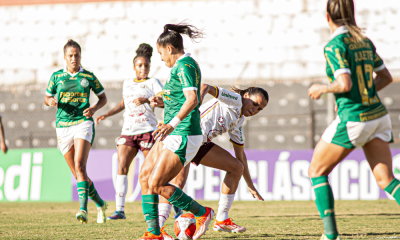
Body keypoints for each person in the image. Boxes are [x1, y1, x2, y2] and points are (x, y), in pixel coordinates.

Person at [307, 0, 397, 239]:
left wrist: (322, 88)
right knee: (387, 180)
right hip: (378, 115)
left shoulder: (334, 46)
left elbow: (344, 83)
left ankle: (330, 235)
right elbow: (386, 77)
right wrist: (365, 93)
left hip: (354, 118)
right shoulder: (364, 42)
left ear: (328, 16)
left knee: (316, 171)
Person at [151, 84, 269, 234]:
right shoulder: (236, 100)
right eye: (255, 104)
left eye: (259, 109)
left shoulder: (238, 121)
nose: (255, 110)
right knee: (175, 183)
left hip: (199, 144)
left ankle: (221, 219)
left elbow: (241, 156)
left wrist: (250, 185)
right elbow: (206, 86)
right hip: (186, 135)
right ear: (245, 96)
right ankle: (158, 229)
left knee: (236, 167)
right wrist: (197, 100)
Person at [136, 23, 213, 240]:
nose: (160, 58)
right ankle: (154, 233)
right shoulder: (179, 67)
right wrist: (161, 102)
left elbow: (193, 99)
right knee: (145, 176)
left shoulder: (185, 65)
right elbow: (179, 99)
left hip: (184, 133)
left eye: (160, 53)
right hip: (172, 132)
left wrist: (173, 123)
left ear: (169, 48)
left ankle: (202, 212)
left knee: (157, 183)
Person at [95, 43, 163, 220]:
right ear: (134, 67)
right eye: (140, 65)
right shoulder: (127, 83)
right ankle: (119, 210)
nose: (143, 69)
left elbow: (162, 100)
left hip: (148, 131)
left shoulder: (153, 82)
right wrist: (107, 114)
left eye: (146, 65)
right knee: (122, 166)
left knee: (155, 170)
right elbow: (123, 104)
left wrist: (148, 100)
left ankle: (165, 206)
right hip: (129, 131)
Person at [44, 39, 108, 224]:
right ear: (64, 57)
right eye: (70, 55)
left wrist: (94, 109)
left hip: (83, 123)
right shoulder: (56, 77)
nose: (74, 58)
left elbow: (103, 98)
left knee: (80, 165)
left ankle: (82, 209)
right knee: (79, 175)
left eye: (77, 55)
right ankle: (100, 203)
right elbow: (47, 97)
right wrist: (50, 102)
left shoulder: (88, 76)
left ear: (81, 56)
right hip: (63, 126)